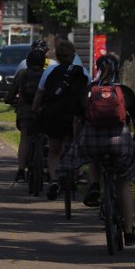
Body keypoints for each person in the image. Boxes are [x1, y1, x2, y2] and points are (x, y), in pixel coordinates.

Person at [61, 54, 135, 246]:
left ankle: (94, 186)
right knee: (123, 184)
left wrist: (78, 138)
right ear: (118, 70)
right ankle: (129, 231)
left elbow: (77, 119)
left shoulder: (89, 91)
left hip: (93, 140)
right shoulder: (124, 91)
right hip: (120, 141)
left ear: (96, 68)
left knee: (95, 156)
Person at [31, 40, 90, 199]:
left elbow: (40, 94)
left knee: (54, 151)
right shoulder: (83, 72)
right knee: (76, 145)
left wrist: (34, 110)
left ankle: (54, 180)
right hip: (75, 116)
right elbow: (88, 96)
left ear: (57, 56)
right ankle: (77, 172)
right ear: (73, 54)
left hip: (54, 115)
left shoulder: (49, 71)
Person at [7, 48, 46, 183]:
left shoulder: (22, 74)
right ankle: (44, 166)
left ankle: (20, 172)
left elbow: (12, 91)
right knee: (44, 136)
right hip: (42, 111)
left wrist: (9, 99)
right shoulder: (46, 74)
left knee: (24, 139)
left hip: (25, 111)